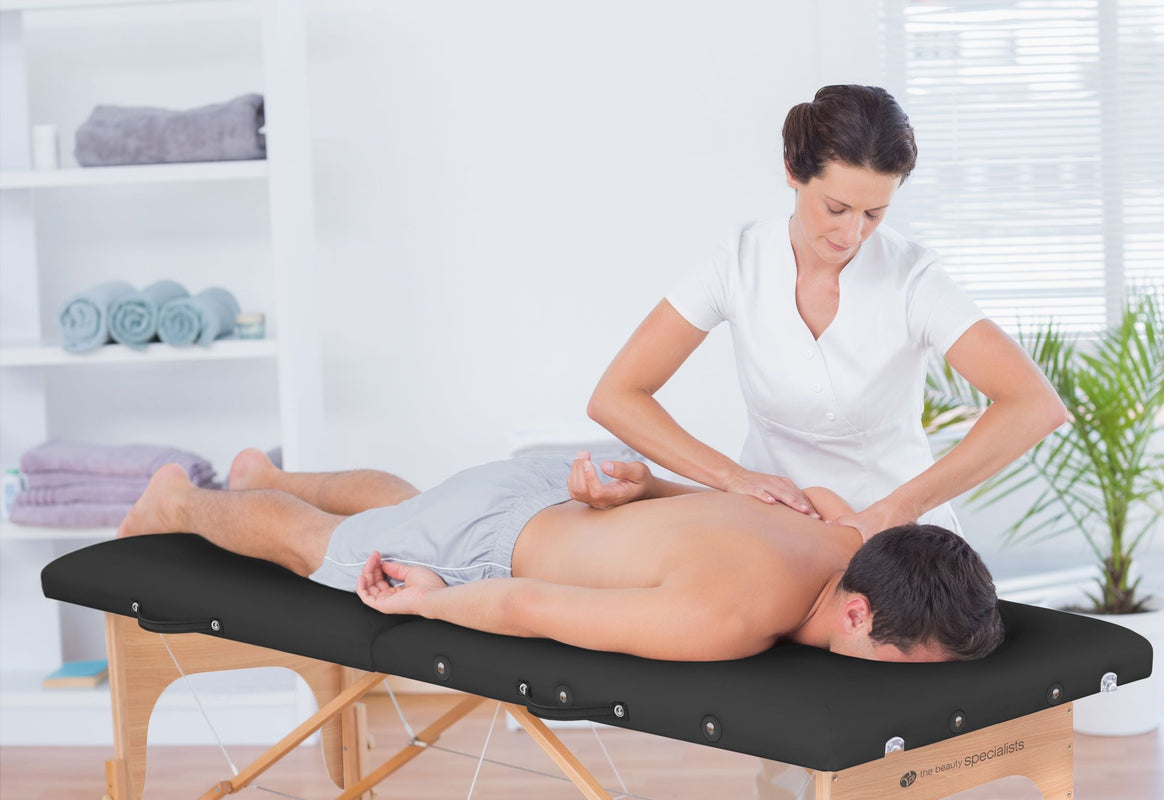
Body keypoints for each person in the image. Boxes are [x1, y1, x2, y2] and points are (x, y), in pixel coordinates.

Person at [585, 84, 1068, 540]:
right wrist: (732, 477)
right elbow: (617, 396)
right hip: (776, 540)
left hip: (899, 546)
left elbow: (1033, 403)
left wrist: (901, 507)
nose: (853, 233)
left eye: (874, 214)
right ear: (794, 171)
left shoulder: (913, 279)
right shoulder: (738, 263)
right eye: (836, 208)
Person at [118, 448, 1004, 663]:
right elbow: (525, 608)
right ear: (859, 613)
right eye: (904, 664)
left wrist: (635, 492)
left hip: (574, 481)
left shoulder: (842, 527)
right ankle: (184, 499)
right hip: (501, 543)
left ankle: (271, 471)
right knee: (324, 551)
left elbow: (691, 510)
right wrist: (421, 603)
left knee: (415, 503)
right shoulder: (728, 618)